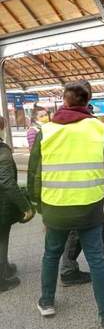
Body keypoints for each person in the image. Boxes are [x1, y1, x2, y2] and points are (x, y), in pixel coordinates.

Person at [27, 83, 104, 329]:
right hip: (89, 207)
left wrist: (39, 207)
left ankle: (46, 303)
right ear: (87, 101)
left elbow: (34, 173)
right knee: (97, 260)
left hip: (55, 207)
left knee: (51, 255)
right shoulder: (99, 129)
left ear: (64, 102)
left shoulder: (46, 131)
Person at [59, 80, 104, 287]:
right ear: (87, 99)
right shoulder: (95, 128)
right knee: (76, 230)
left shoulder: (52, 126)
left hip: (62, 189)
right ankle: (68, 270)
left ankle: (103, 252)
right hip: (84, 190)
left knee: (96, 223)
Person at [0, 116, 34, 293]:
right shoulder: (2, 152)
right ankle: (1, 280)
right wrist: (25, 206)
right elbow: (7, 182)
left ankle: (4, 267)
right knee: (2, 239)